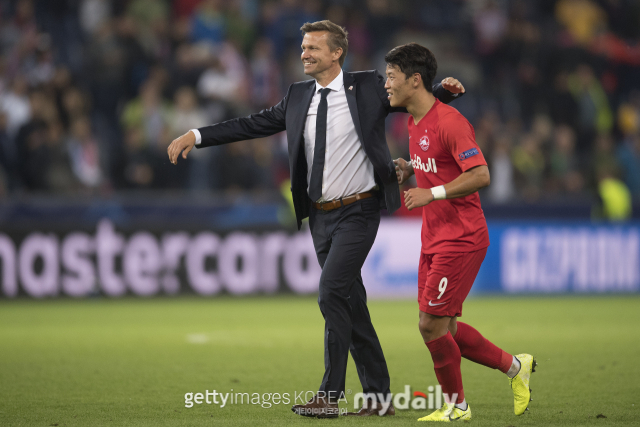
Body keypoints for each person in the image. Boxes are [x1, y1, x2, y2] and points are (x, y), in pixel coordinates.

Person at [167, 20, 465, 418]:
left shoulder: (368, 88)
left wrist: (444, 90)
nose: (304, 53)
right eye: (303, 47)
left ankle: (330, 395)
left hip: (359, 211)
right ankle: (378, 398)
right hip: (320, 218)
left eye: (313, 48)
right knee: (351, 305)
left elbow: (413, 97)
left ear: (337, 53)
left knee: (329, 292)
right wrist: (197, 135)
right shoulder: (296, 96)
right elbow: (250, 124)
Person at [387, 43, 535, 422]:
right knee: (445, 325)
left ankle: (457, 406)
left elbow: (480, 174)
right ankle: (515, 367)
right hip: (434, 236)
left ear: (414, 80)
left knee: (429, 324)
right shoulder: (413, 120)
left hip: (462, 236)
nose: (386, 83)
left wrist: (430, 191)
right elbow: (436, 165)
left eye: (391, 76)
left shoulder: (450, 122)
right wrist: (409, 168)